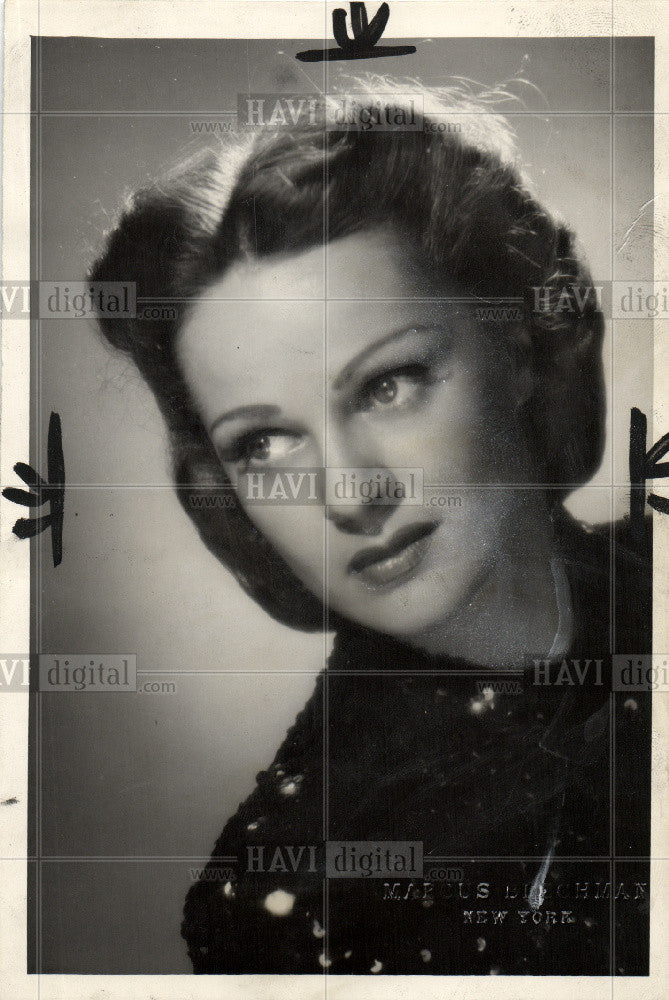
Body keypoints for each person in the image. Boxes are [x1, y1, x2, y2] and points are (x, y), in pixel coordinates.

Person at [89, 80, 651, 975]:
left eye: (386, 385)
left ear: (519, 343)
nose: (348, 492)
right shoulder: (295, 900)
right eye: (264, 443)